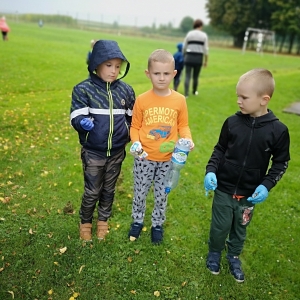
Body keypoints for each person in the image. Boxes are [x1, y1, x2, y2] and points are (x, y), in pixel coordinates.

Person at [204, 68, 290, 283]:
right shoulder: (231, 123)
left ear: (264, 99)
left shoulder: (278, 131)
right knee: (220, 225)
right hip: (224, 188)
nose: (238, 101)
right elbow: (219, 149)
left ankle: (233, 256)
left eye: (244, 97)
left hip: (249, 194)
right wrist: (211, 171)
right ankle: (214, 252)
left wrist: (266, 185)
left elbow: (281, 162)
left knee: (240, 228)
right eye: (237, 96)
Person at [70, 40, 136, 242]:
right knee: (92, 191)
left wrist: (131, 136)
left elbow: (132, 118)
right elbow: (75, 116)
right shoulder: (84, 90)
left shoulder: (126, 91)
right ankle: (86, 223)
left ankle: (103, 221)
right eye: (109, 65)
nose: (114, 71)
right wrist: (82, 123)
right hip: (93, 152)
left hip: (117, 152)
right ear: (96, 64)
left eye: (118, 66)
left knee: (109, 189)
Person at [128, 49, 194, 244]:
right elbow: (135, 127)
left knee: (161, 194)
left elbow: (183, 125)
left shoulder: (179, 100)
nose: (162, 78)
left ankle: (157, 224)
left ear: (174, 74)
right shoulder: (142, 100)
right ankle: (137, 221)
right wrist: (136, 142)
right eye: (157, 73)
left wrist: (187, 139)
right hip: (144, 158)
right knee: (140, 192)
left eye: (166, 74)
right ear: (148, 74)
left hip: (167, 160)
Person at [183, 19, 208, 98]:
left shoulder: (189, 34)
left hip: (189, 56)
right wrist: (206, 60)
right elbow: (206, 49)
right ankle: (194, 91)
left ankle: (186, 94)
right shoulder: (204, 35)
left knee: (187, 76)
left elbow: (184, 46)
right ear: (200, 26)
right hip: (198, 57)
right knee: (195, 76)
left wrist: (184, 55)